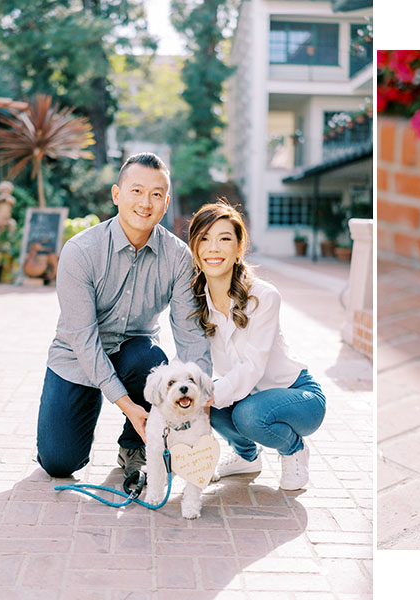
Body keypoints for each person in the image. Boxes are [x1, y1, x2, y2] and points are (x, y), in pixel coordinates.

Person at [36, 152, 211, 482]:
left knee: (151, 357)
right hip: (76, 358)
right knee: (59, 462)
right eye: (136, 191)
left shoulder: (177, 256)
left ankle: (134, 446)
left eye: (156, 194)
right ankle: (93, 419)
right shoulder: (81, 252)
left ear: (166, 201)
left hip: (134, 357)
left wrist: (200, 401)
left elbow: (189, 333)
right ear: (117, 195)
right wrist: (124, 404)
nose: (146, 203)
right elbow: (83, 339)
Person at [187, 201, 325, 490]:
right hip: (246, 395)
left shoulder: (263, 296)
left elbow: (253, 367)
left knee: (246, 414)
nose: (214, 248)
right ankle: (247, 457)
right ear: (195, 250)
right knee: (213, 406)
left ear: (238, 250)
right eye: (204, 239)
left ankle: (294, 450)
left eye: (224, 239)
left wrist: (208, 394)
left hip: (297, 396)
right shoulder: (196, 304)